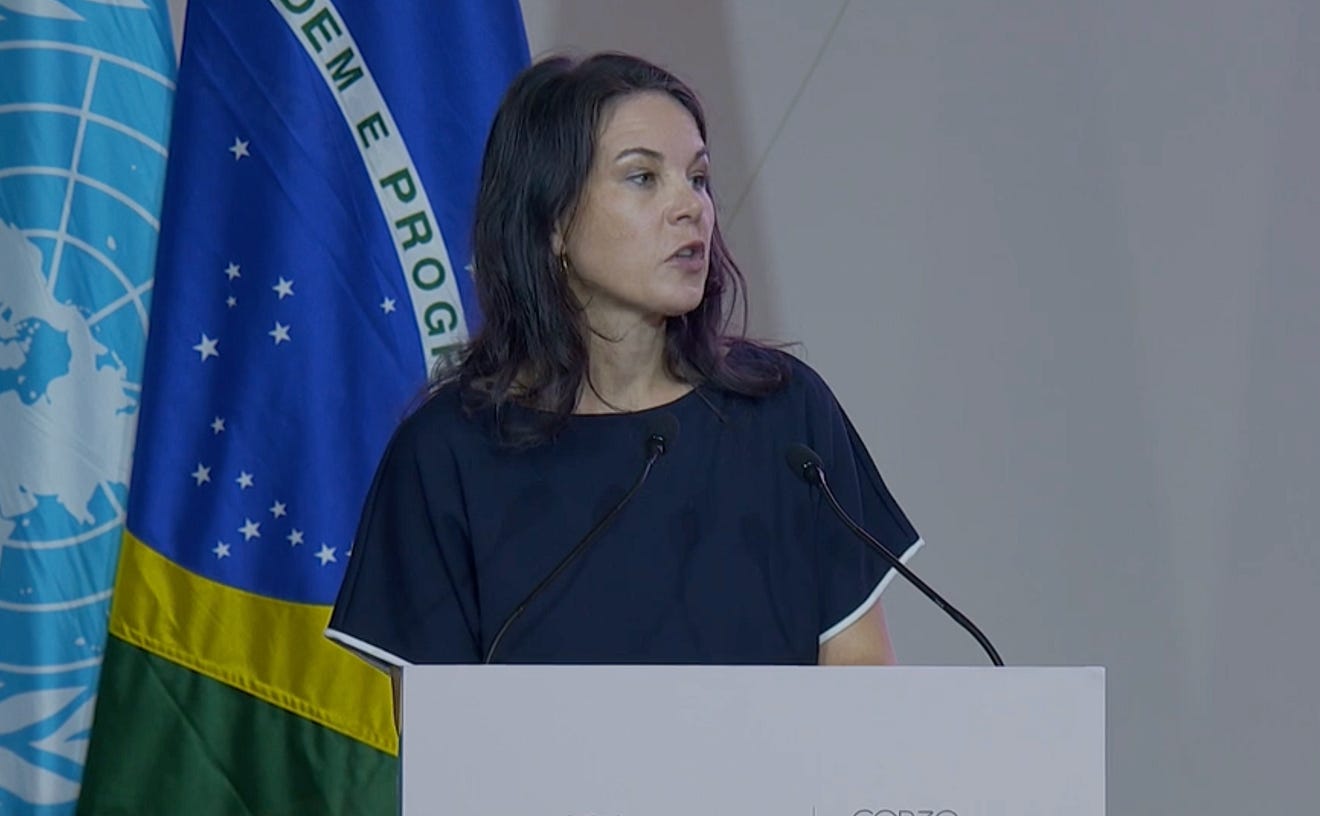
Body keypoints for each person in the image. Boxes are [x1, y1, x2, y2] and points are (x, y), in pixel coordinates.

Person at [325, 53, 923, 696]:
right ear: (552, 221)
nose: (689, 206)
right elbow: (437, 741)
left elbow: (862, 681)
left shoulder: (786, 419)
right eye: (643, 177)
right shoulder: (447, 455)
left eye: (698, 178)